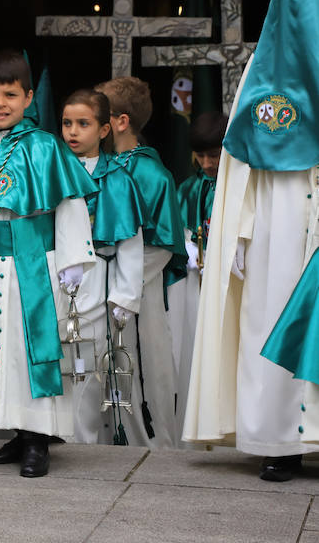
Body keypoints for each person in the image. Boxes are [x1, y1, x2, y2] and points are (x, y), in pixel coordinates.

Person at [186, 0, 319, 482]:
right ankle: (277, 442)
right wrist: (238, 234)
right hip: (277, 226)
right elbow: (240, 167)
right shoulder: (259, 78)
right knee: (270, 317)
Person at [0, 50, 98, 476]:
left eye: (10, 95)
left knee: (29, 347)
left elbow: (70, 205)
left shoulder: (45, 147)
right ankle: (16, 430)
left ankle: (38, 438)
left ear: (29, 97)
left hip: (36, 262)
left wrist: (74, 261)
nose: (0, 104)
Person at [95, 76, 186, 448]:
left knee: (143, 362)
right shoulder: (98, 166)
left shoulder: (152, 175)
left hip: (137, 295)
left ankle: (151, 442)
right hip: (95, 284)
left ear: (119, 121)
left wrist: (122, 281)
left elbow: (163, 245)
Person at [59, 89, 145, 445]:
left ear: (105, 129)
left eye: (83, 123)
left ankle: (83, 438)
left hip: (99, 279)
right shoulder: (53, 174)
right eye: (66, 123)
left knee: (88, 364)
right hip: (57, 278)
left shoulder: (119, 179)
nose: (73, 132)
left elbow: (130, 243)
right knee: (59, 360)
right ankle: (52, 433)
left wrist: (125, 295)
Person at [169, 111, 226, 440]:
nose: (207, 162)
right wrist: (187, 245)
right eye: (201, 155)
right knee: (193, 348)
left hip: (226, 284)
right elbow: (178, 229)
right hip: (195, 285)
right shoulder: (190, 187)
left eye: (214, 155)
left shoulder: (239, 187)